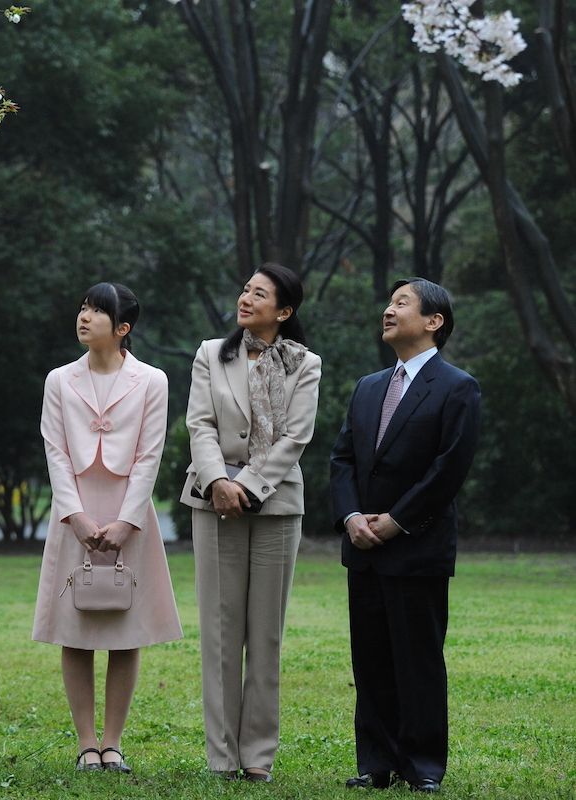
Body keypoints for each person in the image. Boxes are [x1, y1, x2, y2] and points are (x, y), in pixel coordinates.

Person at [330, 277, 481, 794]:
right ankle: (375, 763)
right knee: (369, 659)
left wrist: (395, 521)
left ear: (433, 321)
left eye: (401, 303)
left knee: (416, 659)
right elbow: (343, 458)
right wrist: (352, 517)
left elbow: (448, 469)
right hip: (363, 547)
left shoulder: (458, 386)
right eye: (390, 303)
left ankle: (422, 765)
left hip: (417, 546)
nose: (388, 311)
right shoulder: (369, 386)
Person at [32, 282, 182, 773]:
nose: (84, 317)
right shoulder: (59, 380)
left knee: (125, 626)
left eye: (97, 311)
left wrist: (127, 520)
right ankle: (85, 744)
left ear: (122, 329)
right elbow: (55, 451)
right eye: (82, 307)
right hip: (73, 511)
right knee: (73, 627)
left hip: (128, 511)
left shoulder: (152, 380)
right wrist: (73, 515)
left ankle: (113, 743)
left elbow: (149, 454)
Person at [181, 263, 321, 783]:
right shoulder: (209, 354)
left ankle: (257, 756)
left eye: (258, 294)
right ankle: (221, 757)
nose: (245, 298)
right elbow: (200, 424)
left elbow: (296, 436)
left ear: (283, 311)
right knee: (220, 635)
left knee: (265, 636)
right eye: (244, 289)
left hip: (277, 506)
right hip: (212, 501)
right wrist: (219, 482)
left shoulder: (305, 363)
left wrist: (249, 486)